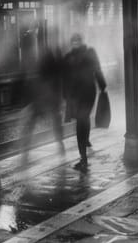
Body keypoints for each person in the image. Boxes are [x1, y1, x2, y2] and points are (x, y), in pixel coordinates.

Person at [63, 33, 106, 171]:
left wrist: (102, 84)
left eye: (77, 41)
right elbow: (65, 77)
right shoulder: (71, 57)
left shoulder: (85, 54)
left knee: (81, 121)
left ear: (80, 42)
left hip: (85, 93)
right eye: (73, 41)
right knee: (83, 120)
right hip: (78, 95)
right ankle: (84, 148)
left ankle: (83, 157)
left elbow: (97, 69)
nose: (75, 43)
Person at [20, 47, 65, 166]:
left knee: (29, 126)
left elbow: (32, 86)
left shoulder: (39, 70)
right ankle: (60, 144)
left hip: (39, 103)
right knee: (56, 125)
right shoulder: (55, 72)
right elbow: (57, 89)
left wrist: (29, 102)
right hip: (49, 103)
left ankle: (25, 152)